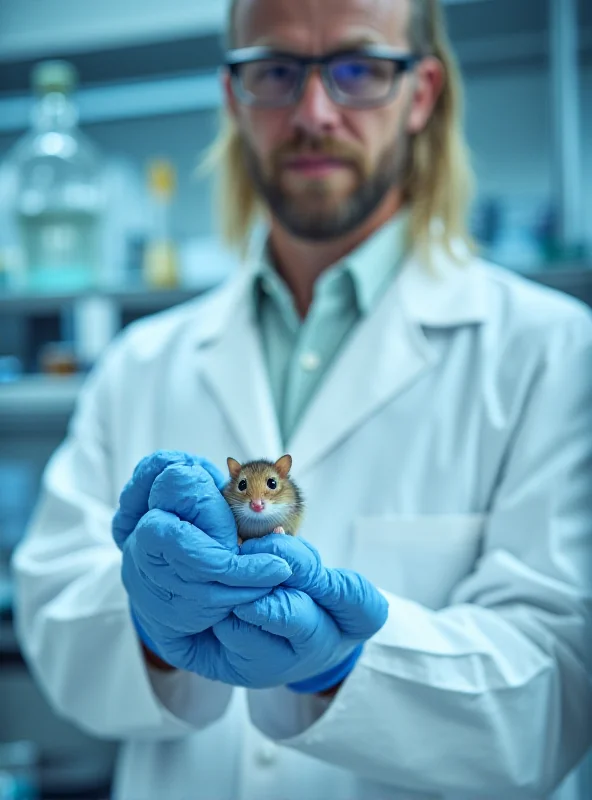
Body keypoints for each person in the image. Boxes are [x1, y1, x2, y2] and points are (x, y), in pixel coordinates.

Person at [11, 0, 592, 798]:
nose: (314, 113)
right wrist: (145, 628)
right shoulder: (140, 362)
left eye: (357, 69)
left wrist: (348, 661)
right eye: (276, 71)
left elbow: (562, 683)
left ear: (420, 93)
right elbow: (50, 616)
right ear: (233, 96)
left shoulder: (556, 352)